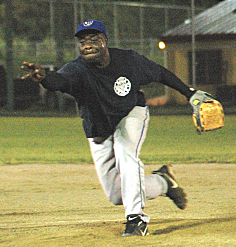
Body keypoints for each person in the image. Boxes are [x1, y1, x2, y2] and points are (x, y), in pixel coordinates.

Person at [21, 19, 193, 237]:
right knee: (116, 194)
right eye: (83, 42)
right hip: (99, 127)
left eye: (94, 39)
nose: (88, 45)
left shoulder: (128, 60)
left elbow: (161, 73)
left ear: (105, 41)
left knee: (125, 152)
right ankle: (163, 182)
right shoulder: (77, 69)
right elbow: (59, 81)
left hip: (131, 112)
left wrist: (190, 94)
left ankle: (136, 220)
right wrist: (44, 77)